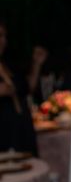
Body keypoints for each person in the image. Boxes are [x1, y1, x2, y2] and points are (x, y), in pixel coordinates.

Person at [0, 18, 38, 155]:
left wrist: (37, 64)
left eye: (5, 36)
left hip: (21, 129)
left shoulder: (8, 64)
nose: (3, 41)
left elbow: (27, 89)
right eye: (0, 35)